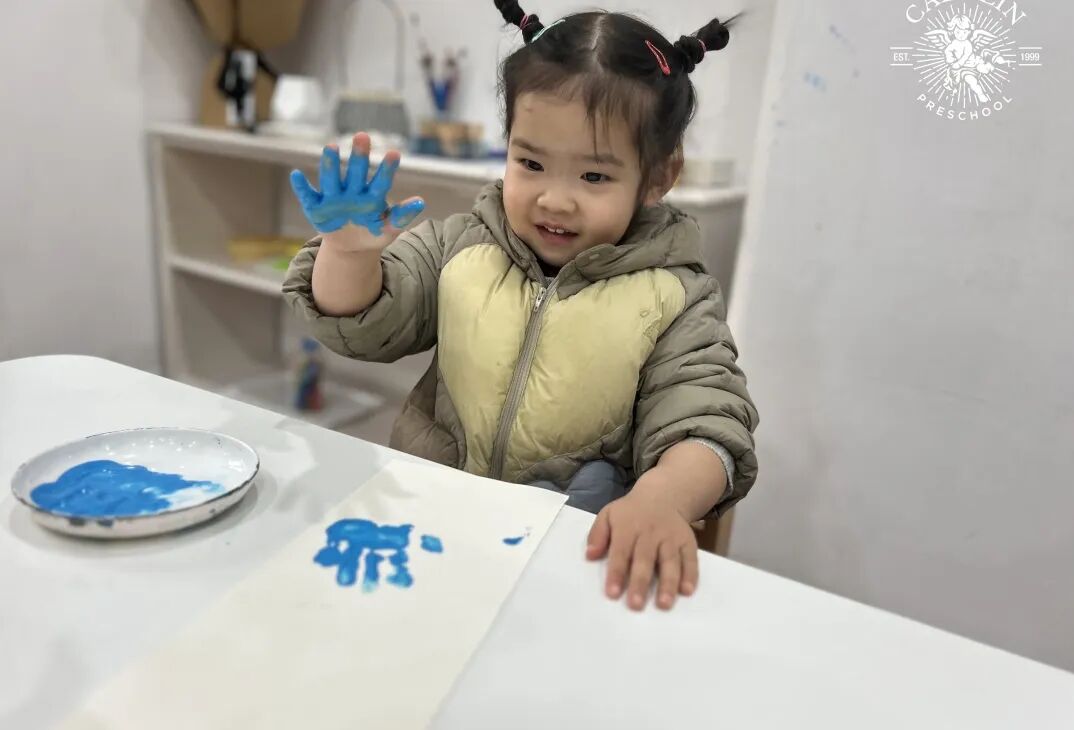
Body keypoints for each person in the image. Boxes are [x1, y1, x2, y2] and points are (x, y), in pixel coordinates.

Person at [284, 2, 759, 611]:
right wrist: (349, 255)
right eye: (530, 163)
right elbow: (366, 322)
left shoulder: (677, 298)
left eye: (593, 177)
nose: (554, 200)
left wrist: (662, 499)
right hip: (429, 530)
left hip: (565, 563)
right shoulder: (461, 245)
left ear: (658, 177)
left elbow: (707, 419)